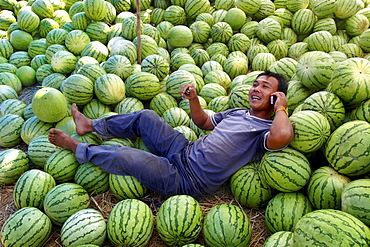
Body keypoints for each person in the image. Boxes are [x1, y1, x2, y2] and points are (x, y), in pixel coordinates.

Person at [48, 70, 294, 198]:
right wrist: (194, 99)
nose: (256, 89)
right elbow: (205, 122)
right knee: (146, 117)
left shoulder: (264, 131)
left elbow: (282, 137)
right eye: (255, 84)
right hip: (184, 149)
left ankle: (76, 147)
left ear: (275, 97)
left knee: (127, 156)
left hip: (188, 179)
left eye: (265, 87)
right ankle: (91, 125)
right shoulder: (237, 113)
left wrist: (280, 107)